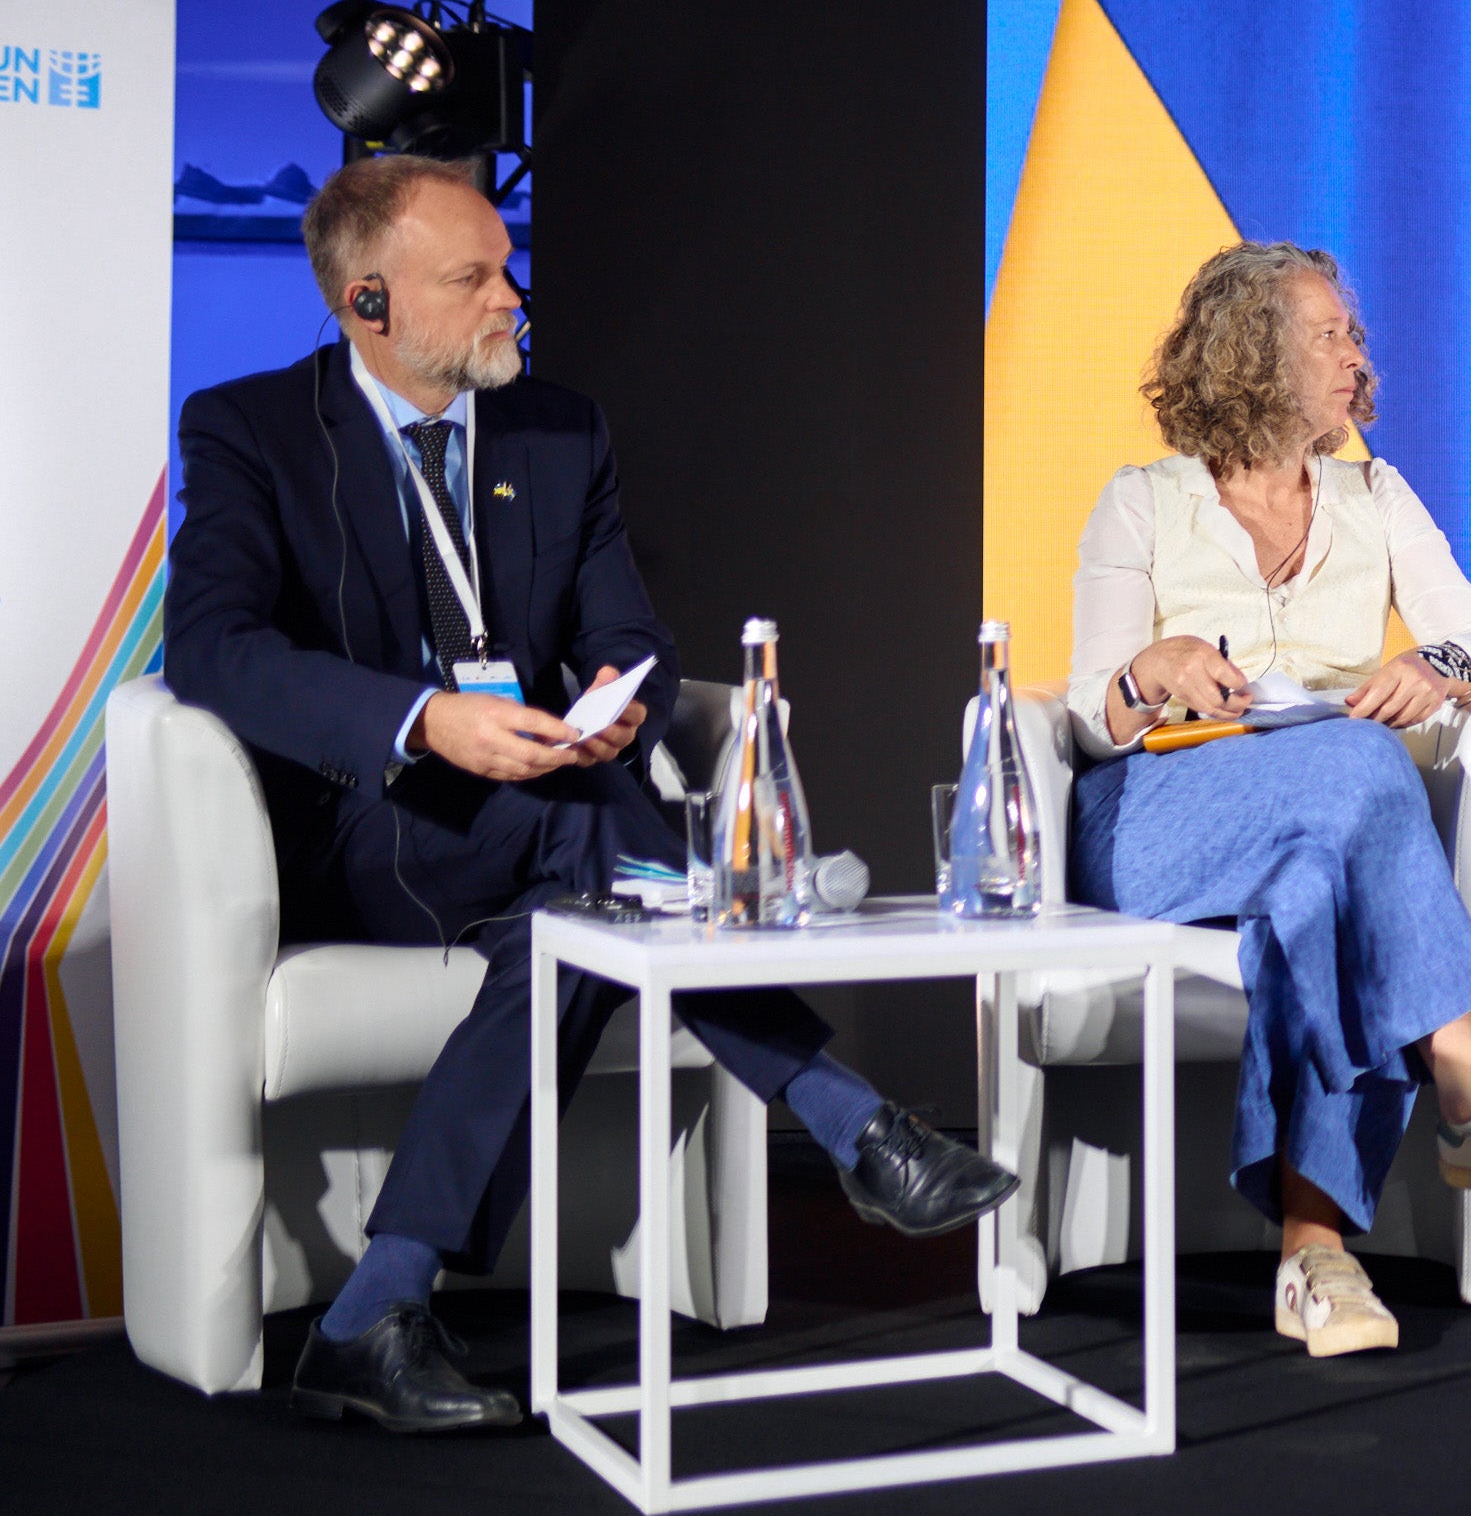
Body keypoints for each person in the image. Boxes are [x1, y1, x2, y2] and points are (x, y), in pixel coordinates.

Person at [163, 155, 1018, 1436]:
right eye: (475, 277)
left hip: (543, 829)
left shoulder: (560, 430)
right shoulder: (253, 430)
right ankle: (831, 1082)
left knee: (572, 906)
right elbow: (213, 648)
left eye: (508, 267)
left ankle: (375, 1308)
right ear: (370, 305)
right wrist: (424, 719)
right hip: (371, 822)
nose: (514, 296)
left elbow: (631, 635)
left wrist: (620, 698)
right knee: (597, 842)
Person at [1065, 240, 1471, 1357]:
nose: (1357, 355)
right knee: (1363, 768)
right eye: (1329, 334)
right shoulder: (1143, 504)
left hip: (1321, 820)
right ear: (1253, 353)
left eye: (1355, 334)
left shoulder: (1374, 495)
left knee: (1315, 886)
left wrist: (1433, 664)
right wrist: (1157, 666)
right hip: (1157, 819)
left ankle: (1315, 1256)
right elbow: (1084, 721)